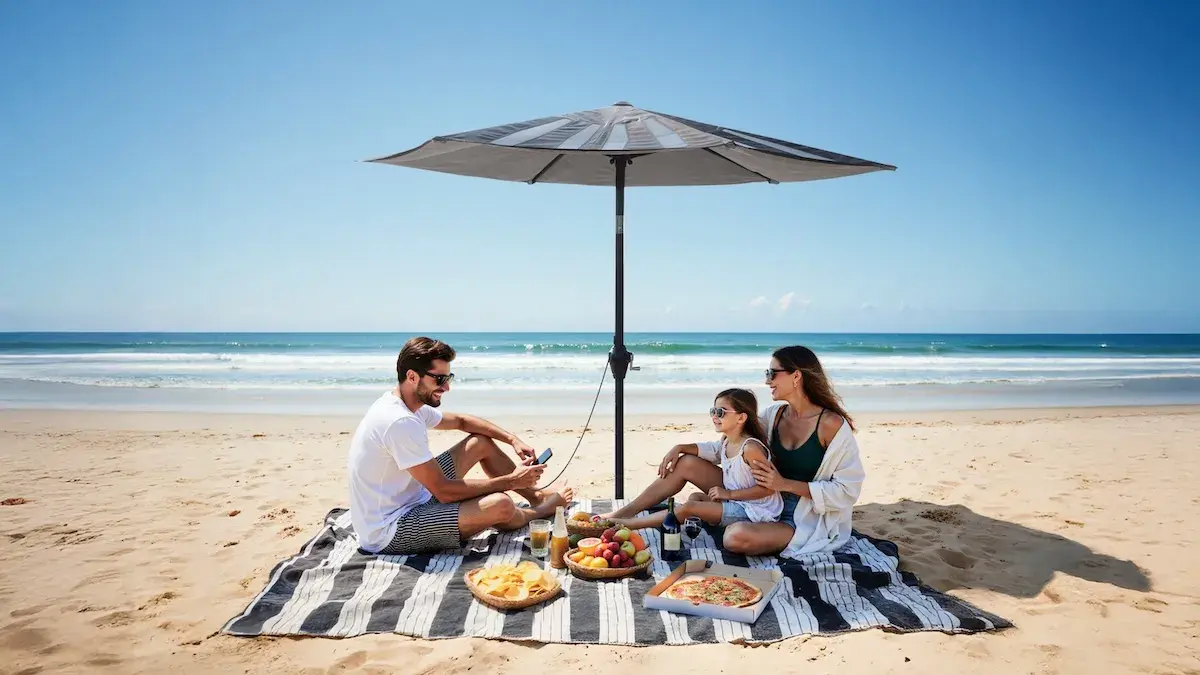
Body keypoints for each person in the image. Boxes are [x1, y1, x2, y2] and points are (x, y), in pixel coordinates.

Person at [601, 345, 864, 559]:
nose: (767, 380)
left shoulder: (830, 424)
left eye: (773, 373)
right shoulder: (774, 415)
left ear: (796, 376)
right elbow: (730, 446)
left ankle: (710, 513)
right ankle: (624, 514)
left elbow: (847, 490)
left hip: (798, 516)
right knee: (687, 463)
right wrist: (681, 447)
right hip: (753, 496)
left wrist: (785, 484)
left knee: (734, 538)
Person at [347, 336, 574, 555]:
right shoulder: (400, 421)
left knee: (480, 443)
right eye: (439, 380)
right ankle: (541, 510)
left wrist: (512, 439)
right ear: (412, 376)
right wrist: (510, 482)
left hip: (414, 496)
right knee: (501, 504)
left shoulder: (406, 405)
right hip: (391, 529)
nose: (446, 388)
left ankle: (536, 496)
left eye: (449, 378)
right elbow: (444, 492)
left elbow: (462, 421)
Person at [609, 388, 782, 532]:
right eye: (713, 411)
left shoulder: (751, 448)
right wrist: (679, 447)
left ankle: (628, 524)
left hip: (756, 511)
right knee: (691, 481)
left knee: (689, 507)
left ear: (741, 418)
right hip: (737, 500)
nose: (715, 416)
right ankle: (625, 512)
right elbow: (709, 449)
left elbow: (768, 489)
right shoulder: (727, 441)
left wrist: (728, 495)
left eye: (720, 412)